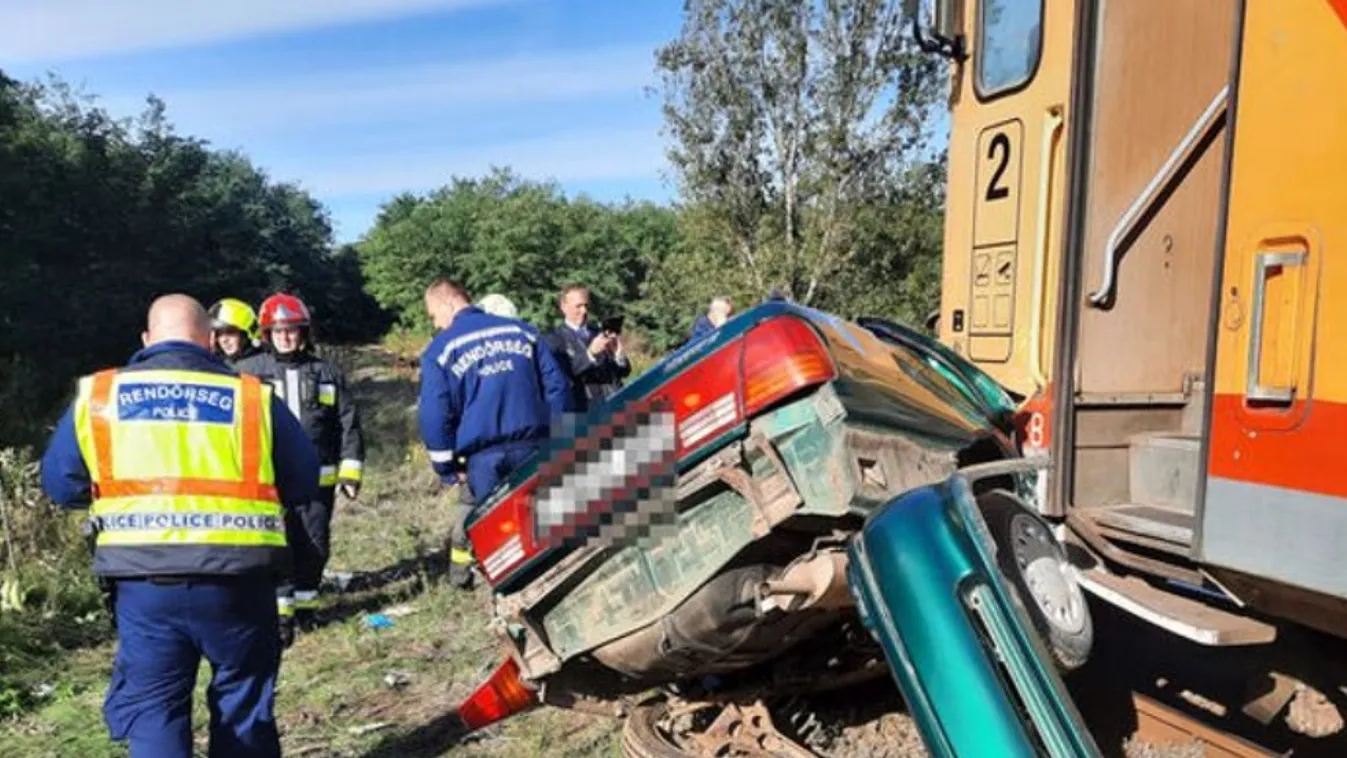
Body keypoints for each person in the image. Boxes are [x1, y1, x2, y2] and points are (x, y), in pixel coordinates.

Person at [39, 294, 320, 758]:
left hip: (143, 586)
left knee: (155, 711)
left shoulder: (100, 396)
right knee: (243, 703)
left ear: (147, 340)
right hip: (239, 582)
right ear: (210, 341)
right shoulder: (251, 397)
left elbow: (61, 484)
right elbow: (303, 479)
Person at [418, 279, 570, 588]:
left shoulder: (441, 350)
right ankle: (554, 588)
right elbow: (557, 388)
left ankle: (510, 596)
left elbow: (435, 414)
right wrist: (559, 439)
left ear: (448, 302)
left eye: (434, 316)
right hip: (534, 448)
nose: (437, 325)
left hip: (483, 459)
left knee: (500, 535)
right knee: (542, 527)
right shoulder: (523, 332)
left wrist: (447, 467)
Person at [235, 293, 365, 626]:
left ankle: (305, 610)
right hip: (267, 483)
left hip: (316, 484)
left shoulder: (326, 373)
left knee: (314, 547)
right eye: (278, 331)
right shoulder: (246, 376)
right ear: (266, 335)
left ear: (304, 332)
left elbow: (348, 424)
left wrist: (350, 473)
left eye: (292, 330)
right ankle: (279, 616)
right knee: (276, 548)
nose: (286, 337)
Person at [544, 284, 631, 412]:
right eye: (578, 306)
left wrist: (618, 355)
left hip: (615, 406)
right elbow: (563, 374)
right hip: (583, 412)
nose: (584, 311)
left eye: (586, 306)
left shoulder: (599, 334)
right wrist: (590, 353)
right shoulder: (554, 339)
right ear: (564, 307)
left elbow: (624, 372)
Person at [208, 297, 262, 367]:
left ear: (246, 335)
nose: (224, 340)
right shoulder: (215, 365)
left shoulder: (269, 365)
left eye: (230, 332)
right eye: (219, 334)